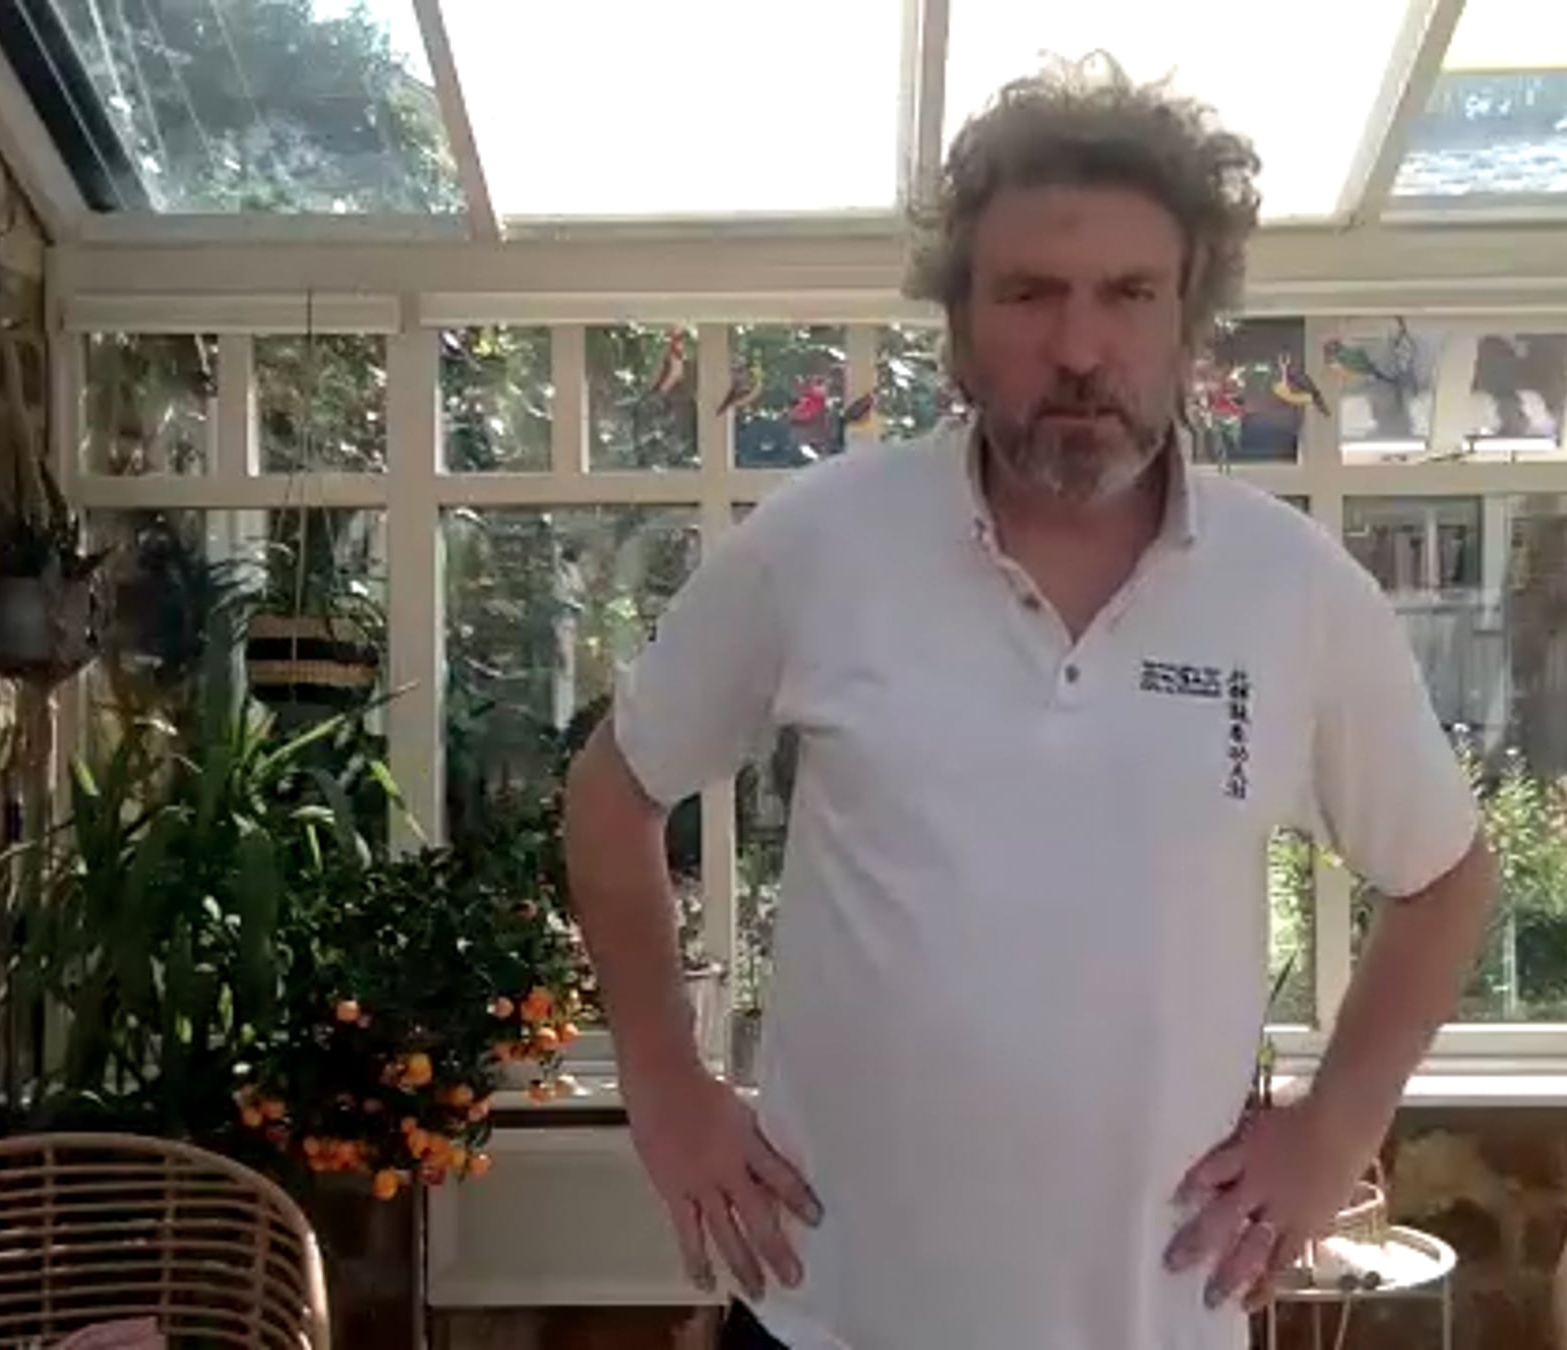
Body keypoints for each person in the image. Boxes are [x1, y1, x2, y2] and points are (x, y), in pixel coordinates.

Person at [560, 51, 1500, 1350]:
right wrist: (664, 1084)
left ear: (1190, 323)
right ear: (957, 327)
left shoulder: (1295, 592)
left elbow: (1445, 878)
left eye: (1130, 293)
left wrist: (1335, 1130)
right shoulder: (817, 545)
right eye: (1028, 293)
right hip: (832, 1319)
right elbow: (612, 796)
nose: (1078, 348)